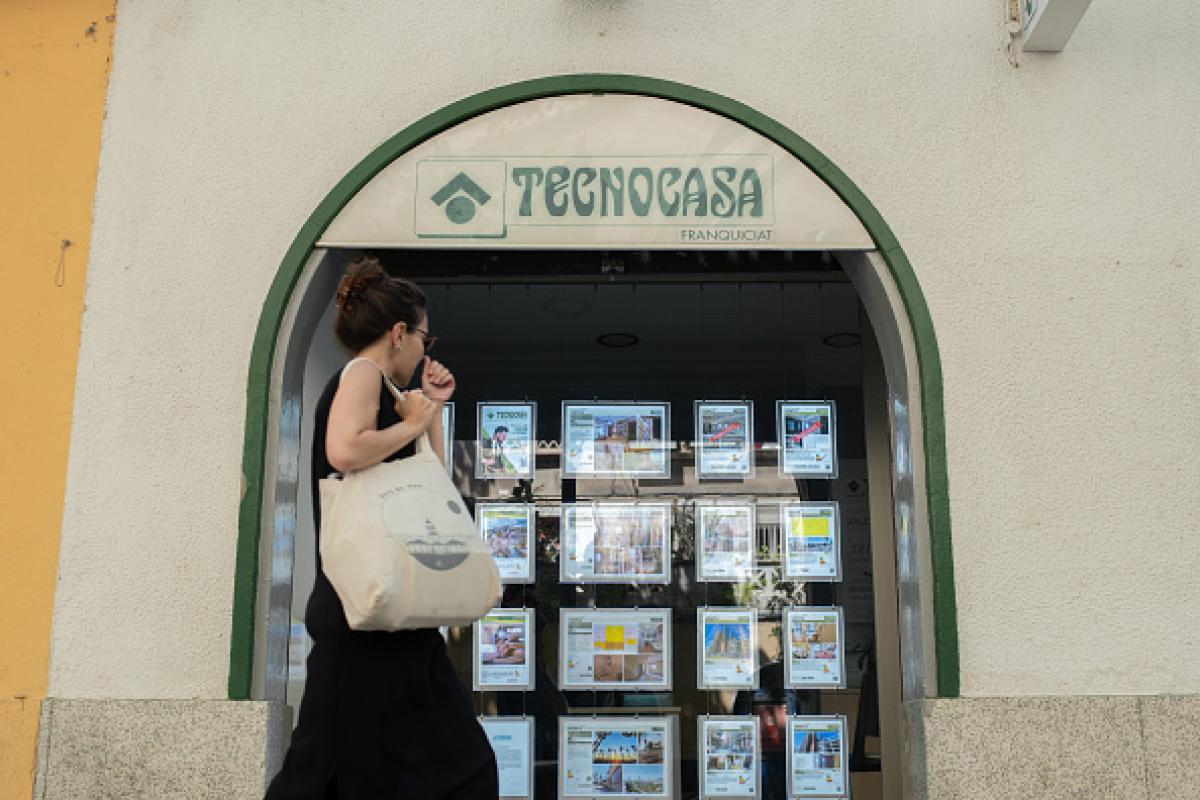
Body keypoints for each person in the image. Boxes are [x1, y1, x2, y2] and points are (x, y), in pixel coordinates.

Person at [265, 256, 497, 799]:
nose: (425, 349)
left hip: (394, 621)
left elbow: (430, 487)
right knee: (338, 770)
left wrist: (430, 411)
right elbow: (344, 449)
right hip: (366, 622)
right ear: (398, 333)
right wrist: (415, 421)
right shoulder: (363, 373)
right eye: (423, 336)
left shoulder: (395, 395)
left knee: (427, 768)